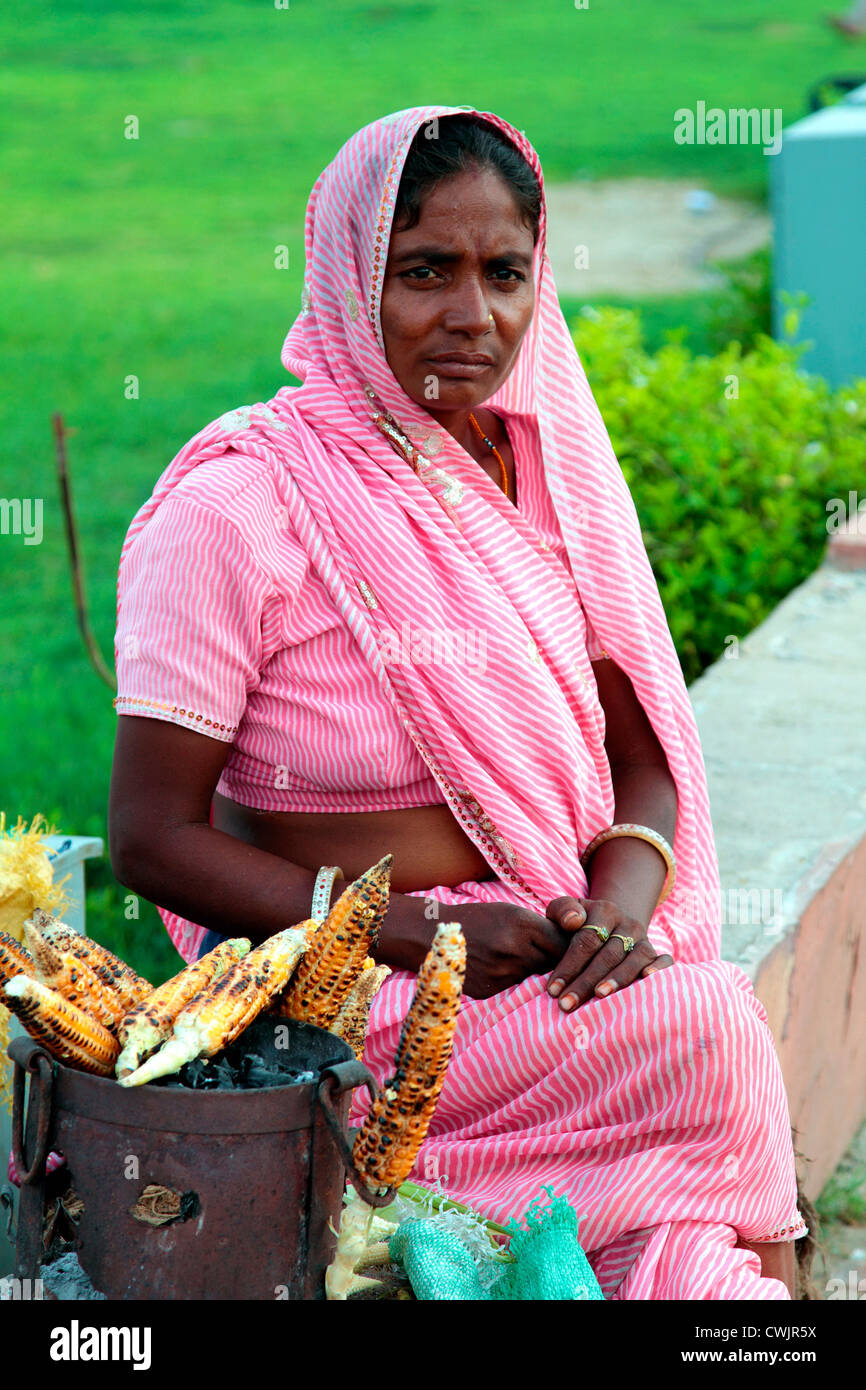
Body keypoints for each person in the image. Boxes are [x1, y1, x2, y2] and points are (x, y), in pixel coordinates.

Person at [109, 105, 808, 1299]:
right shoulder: (244, 505)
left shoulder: (539, 476)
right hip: (353, 998)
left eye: (504, 274)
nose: (470, 318)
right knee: (713, 1034)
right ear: (345, 278)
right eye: (422, 271)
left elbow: (640, 759)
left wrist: (618, 911)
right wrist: (407, 933)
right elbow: (149, 838)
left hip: (544, 961)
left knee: (699, 1099)